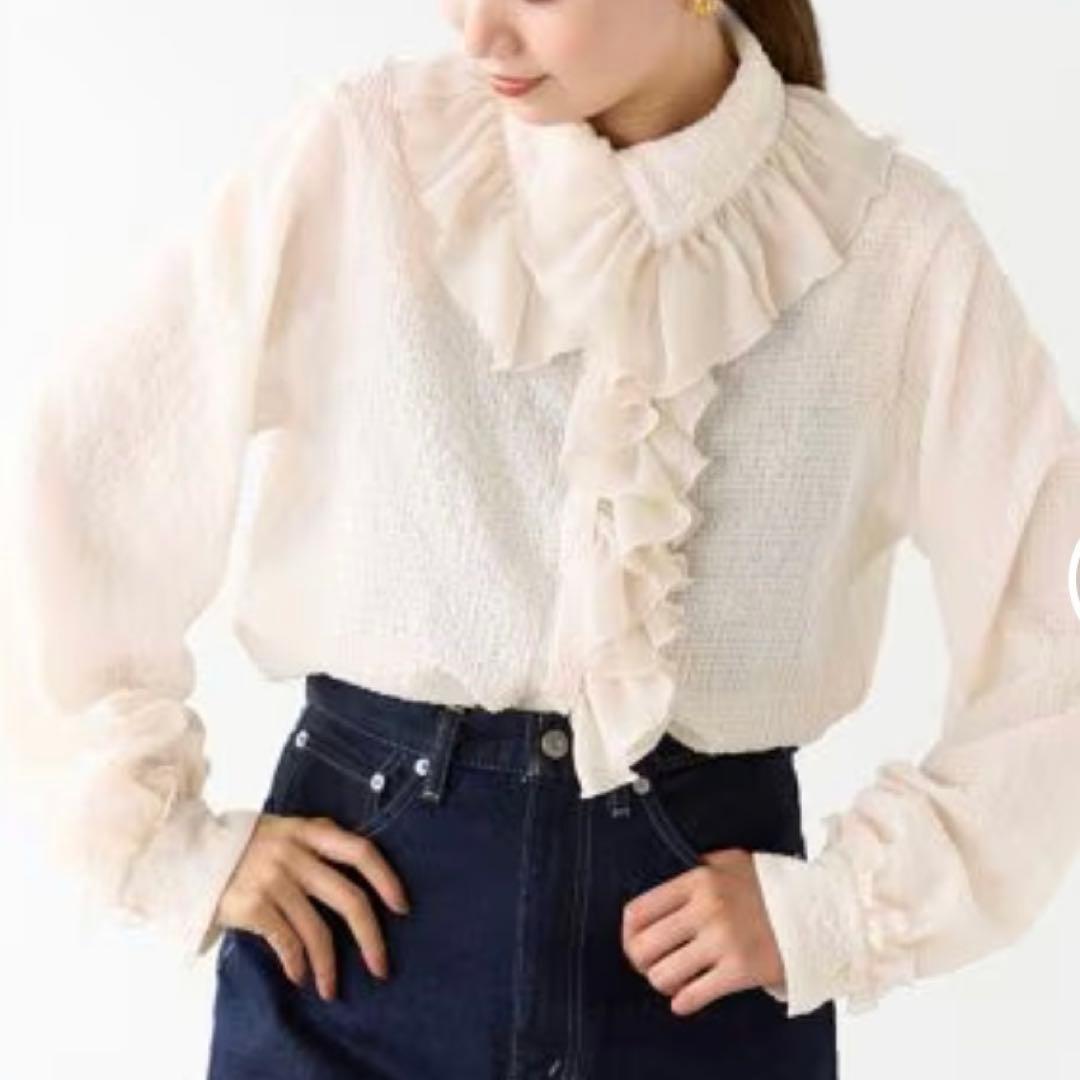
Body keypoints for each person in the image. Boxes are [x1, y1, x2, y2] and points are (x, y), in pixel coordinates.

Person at [3, 0, 1079, 1076]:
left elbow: (1047, 632)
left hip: (703, 965)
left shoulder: (886, 240)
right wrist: (167, 846)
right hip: (354, 939)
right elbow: (93, 461)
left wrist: (842, 912)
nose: (480, 34)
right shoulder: (369, 161)